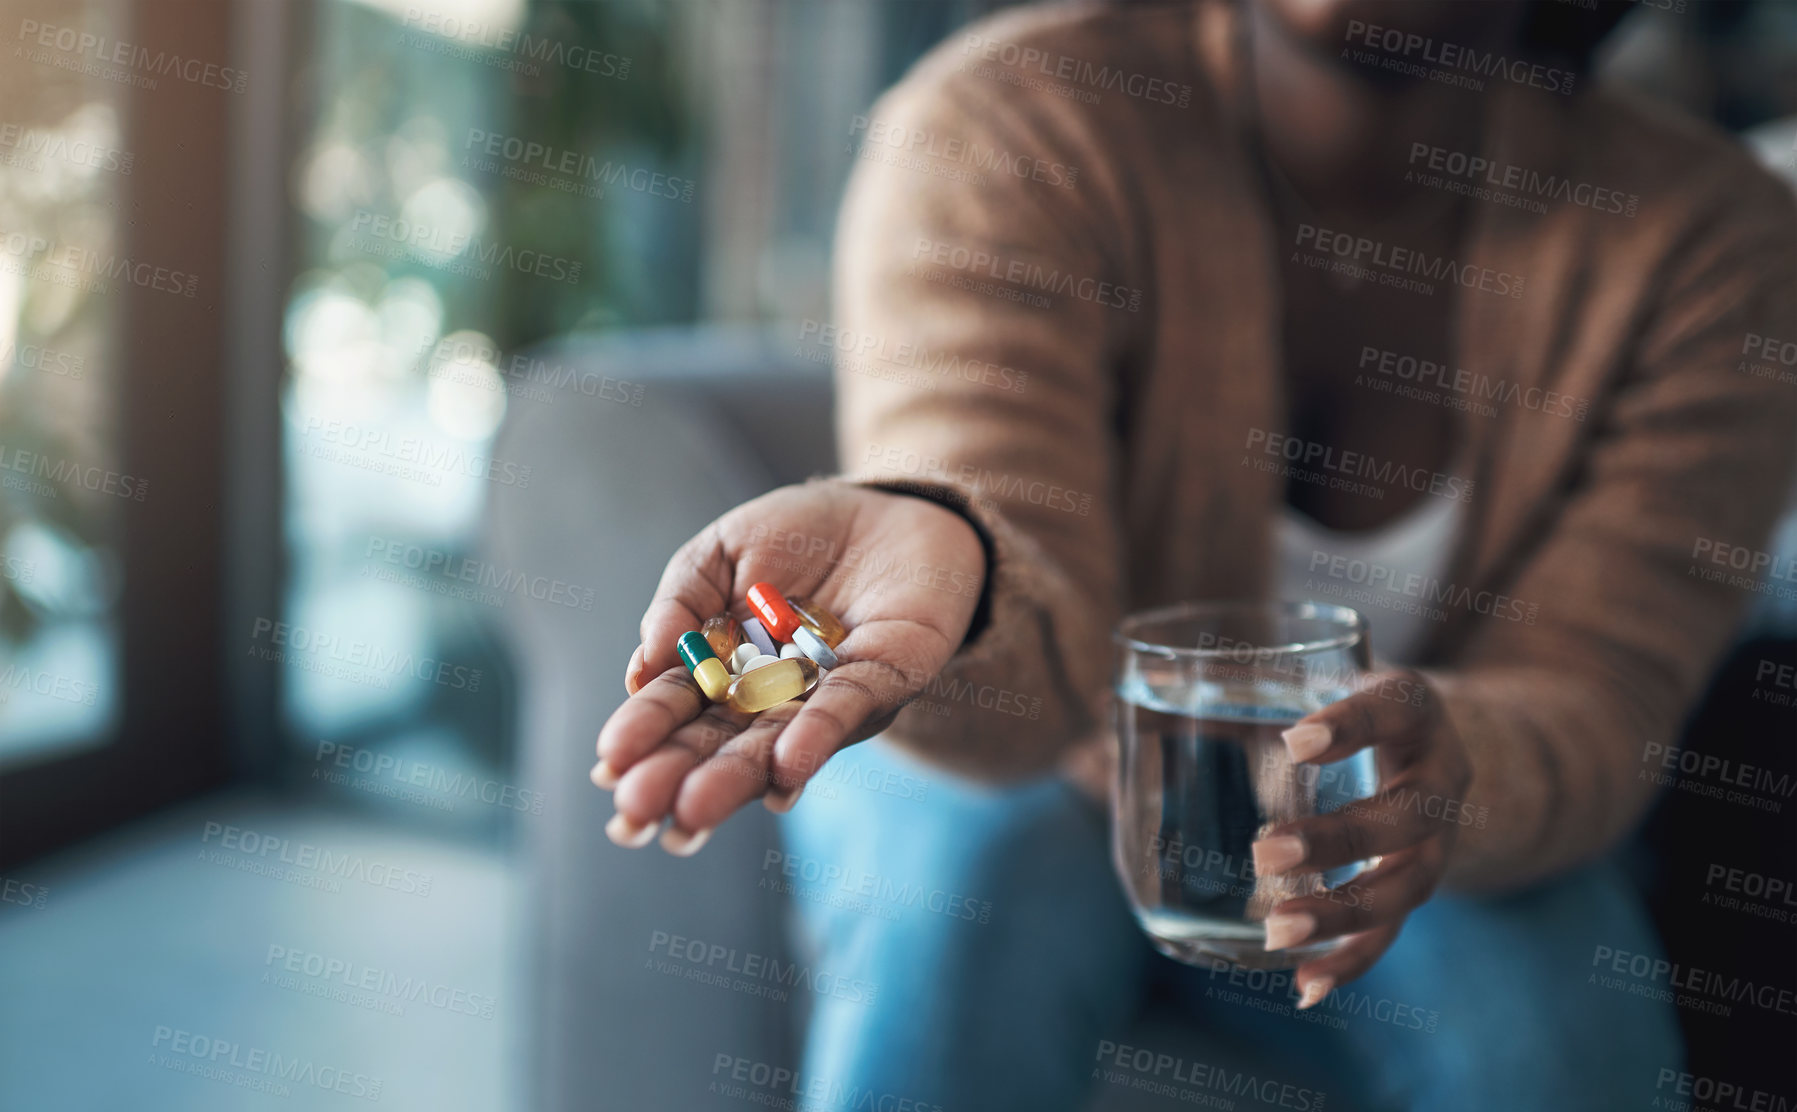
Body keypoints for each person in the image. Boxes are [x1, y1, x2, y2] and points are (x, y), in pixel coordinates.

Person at [594, 0, 1797, 1106]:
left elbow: (1601, 692)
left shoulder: (1712, 244)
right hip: (1024, 756)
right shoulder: (1009, 120)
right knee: (969, 897)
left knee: (1550, 1023)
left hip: (1405, 817)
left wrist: (1454, 767)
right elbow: (999, 573)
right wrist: (957, 548)